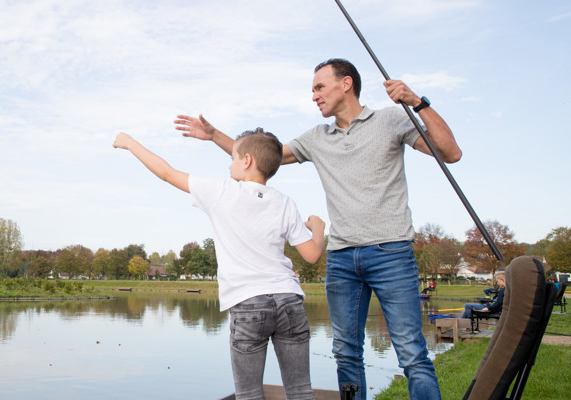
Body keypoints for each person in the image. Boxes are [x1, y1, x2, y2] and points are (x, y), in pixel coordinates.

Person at [175, 58, 461, 400]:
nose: (314, 96)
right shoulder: (317, 137)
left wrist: (418, 103)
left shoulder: (391, 119)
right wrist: (213, 136)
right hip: (342, 259)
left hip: (390, 252)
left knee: (411, 351)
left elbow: (450, 152)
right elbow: (262, 158)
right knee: (346, 352)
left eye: (319, 87)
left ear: (346, 83)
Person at [113, 128, 326, 400]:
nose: (229, 164)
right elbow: (312, 254)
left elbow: (166, 173)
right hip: (289, 300)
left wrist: (130, 143)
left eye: (233, 157)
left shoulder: (222, 191)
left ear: (247, 160)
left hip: (248, 303)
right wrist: (318, 228)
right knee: (300, 391)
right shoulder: (285, 202)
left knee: (248, 394)